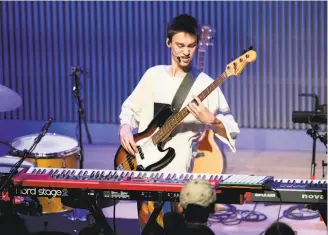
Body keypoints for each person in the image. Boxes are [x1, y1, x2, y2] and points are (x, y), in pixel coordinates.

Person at [118, 13, 240, 233]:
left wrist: (211, 120)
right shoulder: (153, 75)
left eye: (192, 46)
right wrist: (125, 127)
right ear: (168, 43)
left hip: (176, 174)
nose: (186, 52)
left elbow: (231, 128)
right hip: (143, 167)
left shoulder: (205, 84)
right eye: (180, 45)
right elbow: (129, 109)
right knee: (147, 230)